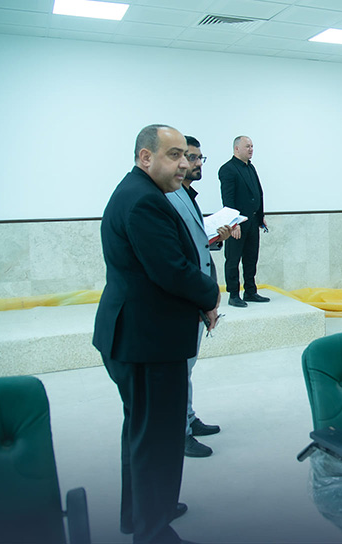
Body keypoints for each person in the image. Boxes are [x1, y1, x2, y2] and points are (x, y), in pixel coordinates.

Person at [93, 124, 221, 544]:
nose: (184, 164)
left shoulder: (139, 192)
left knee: (143, 432)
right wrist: (210, 294)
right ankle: (152, 530)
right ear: (145, 157)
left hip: (138, 336)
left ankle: (142, 514)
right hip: (147, 341)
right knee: (158, 440)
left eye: (186, 155)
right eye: (173, 155)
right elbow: (172, 270)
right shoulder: (145, 201)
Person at [167, 136, 235, 459]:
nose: (194, 164)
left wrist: (215, 238)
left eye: (198, 158)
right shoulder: (169, 197)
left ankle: (188, 418)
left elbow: (194, 241)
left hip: (196, 295)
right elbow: (176, 256)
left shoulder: (187, 195)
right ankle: (177, 432)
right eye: (189, 157)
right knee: (179, 371)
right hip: (186, 296)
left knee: (187, 367)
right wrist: (204, 298)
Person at [219, 135, 269, 308]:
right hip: (237, 225)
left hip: (253, 221)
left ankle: (250, 291)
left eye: (252, 146)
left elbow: (258, 193)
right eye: (247, 146)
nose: (251, 149)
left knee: (251, 258)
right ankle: (233, 294)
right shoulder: (227, 169)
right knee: (233, 259)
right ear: (236, 148)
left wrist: (260, 217)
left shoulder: (251, 167)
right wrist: (234, 223)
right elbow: (228, 200)